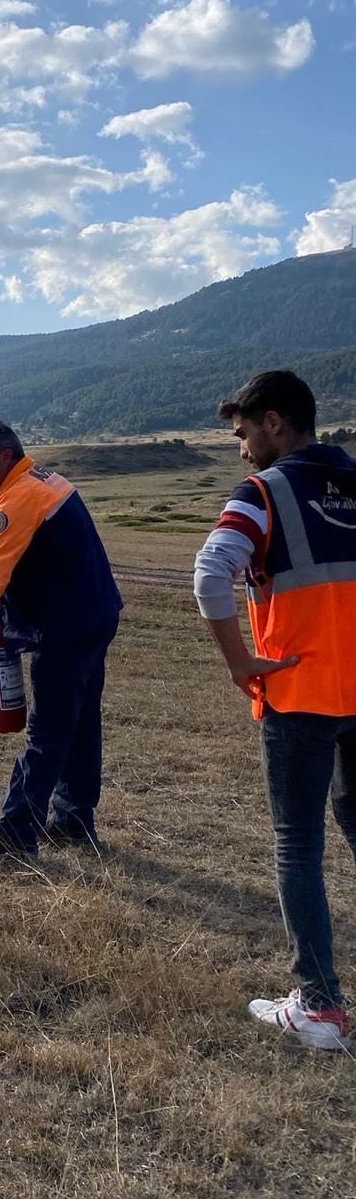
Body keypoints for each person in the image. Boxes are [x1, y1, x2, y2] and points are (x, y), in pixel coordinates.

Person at [193, 369, 356, 1052]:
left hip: (298, 695)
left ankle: (318, 1008)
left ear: (276, 423)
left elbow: (210, 572)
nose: (240, 448)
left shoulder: (263, 491)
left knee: (299, 845)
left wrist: (239, 662)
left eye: (243, 433)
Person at [0, 421, 122, 864]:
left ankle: (15, 835)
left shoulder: (17, 500)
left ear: (4, 457)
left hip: (66, 630)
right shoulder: (45, 479)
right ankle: (73, 819)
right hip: (96, 615)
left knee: (47, 733)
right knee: (81, 723)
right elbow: (42, 561)